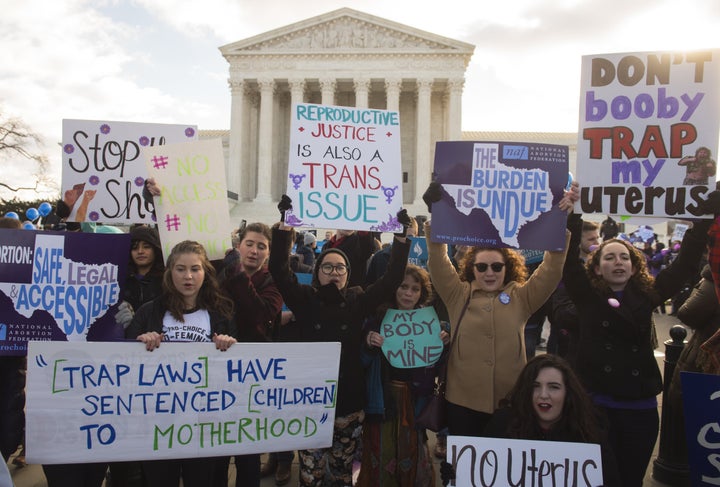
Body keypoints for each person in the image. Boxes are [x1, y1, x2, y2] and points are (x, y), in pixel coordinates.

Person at [561, 191, 718, 487]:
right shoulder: (587, 298)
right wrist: (574, 214)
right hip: (595, 408)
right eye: (609, 257)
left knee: (630, 479)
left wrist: (700, 225)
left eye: (625, 257)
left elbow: (683, 267)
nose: (618, 262)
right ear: (597, 267)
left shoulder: (648, 296)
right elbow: (568, 267)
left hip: (639, 410)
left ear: (634, 267)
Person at [269, 196, 411, 486]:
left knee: (342, 472)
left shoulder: (358, 299)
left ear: (348, 275)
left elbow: (391, 278)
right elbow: (280, 273)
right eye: (328, 267)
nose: (335, 273)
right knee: (310, 473)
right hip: (309, 401)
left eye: (340, 268)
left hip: (347, 402)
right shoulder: (305, 299)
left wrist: (401, 238)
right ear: (318, 273)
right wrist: (285, 225)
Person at [421, 180, 575, 437]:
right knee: (465, 470)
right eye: (481, 267)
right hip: (462, 402)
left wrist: (560, 221)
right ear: (472, 268)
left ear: (508, 268)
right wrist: (437, 214)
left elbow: (551, 269)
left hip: (509, 402)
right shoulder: (458, 294)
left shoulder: (522, 297)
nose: (489, 272)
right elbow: (438, 259)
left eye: (496, 266)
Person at [126, 240, 237, 487]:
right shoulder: (148, 312)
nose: (188, 276)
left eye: (195, 269)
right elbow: (124, 366)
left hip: (203, 424)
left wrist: (228, 346)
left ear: (205, 272)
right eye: (180, 269)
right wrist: (139, 343)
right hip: (158, 424)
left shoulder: (220, 312)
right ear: (169, 272)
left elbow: (231, 373)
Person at [357, 264, 449, 486]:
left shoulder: (431, 324)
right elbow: (361, 362)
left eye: (415, 289)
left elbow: (438, 367)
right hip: (382, 400)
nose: (408, 293)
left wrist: (444, 344)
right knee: (380, 449)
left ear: (422, 293)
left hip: (416, 400)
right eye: (403, 286)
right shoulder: (377, 320)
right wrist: (368, 344)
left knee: (413, 449)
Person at [480, 354, 621, 485]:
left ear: (568, 393)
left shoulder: (589, 433)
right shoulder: (503, 424)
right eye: (535, 387)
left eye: (554, 387)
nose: (543, 395)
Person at [217, 222, 286, 487]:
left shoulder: (272, 283)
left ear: (268, 253)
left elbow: (259, 312)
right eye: (250, 244)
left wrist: (236, 271)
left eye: (262, 246)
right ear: (238, 245)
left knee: (248, 453)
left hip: (252, 376)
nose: (254, 251)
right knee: (218, 453)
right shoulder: (217, 274)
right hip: (218, 373)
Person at [547, 219, 600, 359]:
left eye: (597, 238)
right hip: (564, 328)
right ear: (578, 238)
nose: (596, 243)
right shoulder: (567, 264)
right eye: (591, 239)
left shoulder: (600, 263)